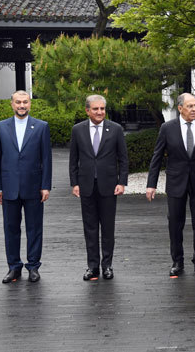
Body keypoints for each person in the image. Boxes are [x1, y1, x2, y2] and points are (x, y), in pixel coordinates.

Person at [146, 93, 195, 277]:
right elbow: (157, 157)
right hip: (175, 182)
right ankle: (177, 261)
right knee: (175, 224)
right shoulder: (167, 128)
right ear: (180, 108)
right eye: (190, 106)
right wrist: (151, 184)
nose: (194, 109)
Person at [0, 90, 52, 283]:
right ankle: (14, 267)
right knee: (11, 229)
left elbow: (46, 159)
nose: (21, 106)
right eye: (18, 102)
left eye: (25, 102)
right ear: (12, 104)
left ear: (30, 104)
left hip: (34, 187)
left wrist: (46, 186)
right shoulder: (1, 127)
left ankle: (33, 266)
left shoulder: (41, 127)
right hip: (9, 188)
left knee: (35, 228)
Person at [69, 95, 129, 281]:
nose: (99, 112)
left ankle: (107, 266)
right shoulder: (77, 130)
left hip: (109, 186)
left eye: (102, 109)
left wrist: (122, 182)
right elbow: (73, 159)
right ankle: (92, 266)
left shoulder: (116, 129)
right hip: (86, 185)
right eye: (95, 109)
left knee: (108, 228)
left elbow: (123, 159)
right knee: (90, 228)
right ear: (87, 110)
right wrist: (74, 183)